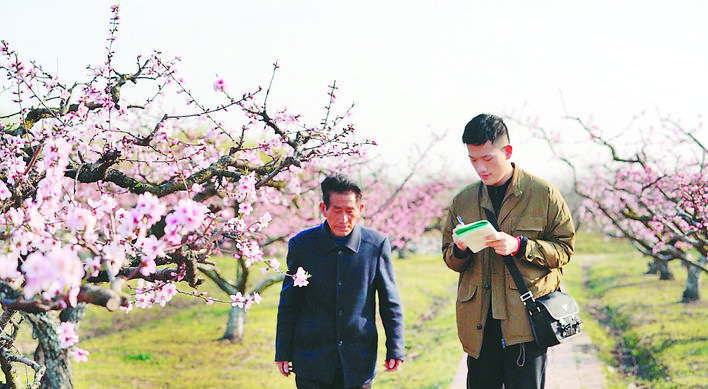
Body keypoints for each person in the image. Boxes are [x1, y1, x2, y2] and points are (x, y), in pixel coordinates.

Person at [442, 114, 575, 389]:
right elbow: (450, 259)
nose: (480, 167)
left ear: (508, 151)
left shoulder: (543, 194)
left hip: (525, 325)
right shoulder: (463, 201)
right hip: (479, 326)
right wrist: (460, 249)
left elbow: (565, 249)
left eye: (487, 158)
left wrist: (520, 246)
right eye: (473, 159)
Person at [275, 174, 405, 389]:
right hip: (311, 358)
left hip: (358, 360)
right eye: (337, 210)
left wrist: (396, 348)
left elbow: (390, 301)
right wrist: (283, 351)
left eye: (350, 211)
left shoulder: (375, 245)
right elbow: (290, 303)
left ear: (360, 209)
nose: (343, 219)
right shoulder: (302, 246)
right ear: (323, 208)